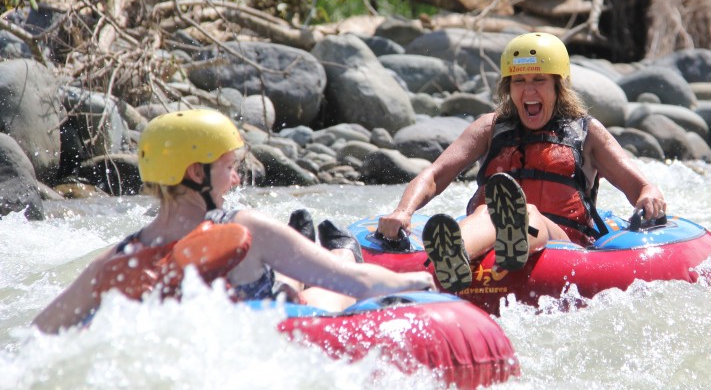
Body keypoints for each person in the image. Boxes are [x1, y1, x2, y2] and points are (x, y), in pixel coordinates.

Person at [33, 109, 433, 334]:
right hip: (278, 320)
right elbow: (354, 285)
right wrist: (418, 282)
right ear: (195, 172)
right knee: (315, 297)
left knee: (290, 289)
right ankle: (341, 251)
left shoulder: (119, 259)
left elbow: (41, 330)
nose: (237, 179)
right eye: (230, 167)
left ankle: (299, 249)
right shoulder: (247, 228)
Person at [377, 32, 668, 292]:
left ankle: (515, 239)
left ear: (558, 86)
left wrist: (650, 198)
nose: (528, 91)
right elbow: (435, 175)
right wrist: (404, 211)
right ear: (508, 87)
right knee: (488, 213)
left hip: (562, 241)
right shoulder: (489, 128)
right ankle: (454, 257)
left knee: (526, 214)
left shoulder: (587, 132)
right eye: (519, 81)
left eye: (539, 80)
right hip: (495, 226)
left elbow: (641, 187)